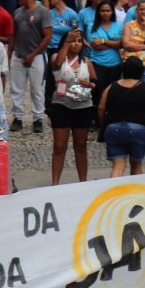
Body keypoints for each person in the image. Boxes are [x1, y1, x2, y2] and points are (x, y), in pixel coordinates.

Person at [97, 56, 145, 177]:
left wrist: (103, 124)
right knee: (136, 166)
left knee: (117, 166)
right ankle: (135, 193)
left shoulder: (112, 86)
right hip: (139, 129)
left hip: (113, 127)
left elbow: (101, 108)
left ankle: (114, 192)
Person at [48, 29, 96, 185]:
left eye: (79, 41)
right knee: (59, 146)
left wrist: (92, 85)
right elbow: (57, 64)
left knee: (81, 146)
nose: (76, 44)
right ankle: (55, 183)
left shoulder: (86, 61)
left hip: (83, 107)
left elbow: (96, 82)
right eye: (73, 41)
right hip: (61, 106)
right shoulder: (57, 57)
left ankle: (83, 181)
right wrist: (66, 43)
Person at [9, 0, 52, 134]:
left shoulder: (43, 12)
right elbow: (14, 35)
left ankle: (38, 118)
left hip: (37, 56)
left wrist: (33, 55)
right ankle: (17, 117)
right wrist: (10, 55)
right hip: (18, 55)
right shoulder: (17, 12)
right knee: (16, 88)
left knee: (37, 88)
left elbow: (47, 37)